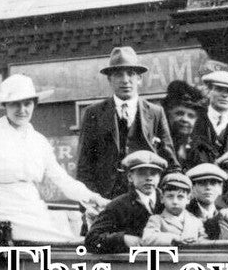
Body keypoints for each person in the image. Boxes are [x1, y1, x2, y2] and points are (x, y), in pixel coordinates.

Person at [0, 74, 108, 241]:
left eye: (27, 103)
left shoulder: (38, 141)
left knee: (62, 242)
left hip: (33, 210)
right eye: (15, 104)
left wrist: (92, 197)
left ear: (34, 104)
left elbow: (61, 179)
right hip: (1, 212)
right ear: (5, 105)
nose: (22, 110)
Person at [76, 46, 177, 199]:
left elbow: (170, 162)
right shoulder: (93, 113)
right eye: (118, 74)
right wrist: (92, 200)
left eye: (131, 74)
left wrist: (164, 199)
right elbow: (84, 166)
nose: (125, 80)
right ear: (109, 79)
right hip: (106, 198)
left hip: (146, 197)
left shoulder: (155, 113)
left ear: (139, 79)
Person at [84, 150, 167, 254]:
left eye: (153, 174)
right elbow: (92, 240)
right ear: (130, 177)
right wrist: (123, 239)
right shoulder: (118, 205)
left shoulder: (168, 202)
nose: (149, 178)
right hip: (130, 266)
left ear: (159, 177)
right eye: (142, 173)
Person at [142, 172, 209, 246]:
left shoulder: (196, 221)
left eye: (180, 197)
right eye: (170, 196)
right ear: (162, 198)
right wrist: (173, 238)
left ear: (188, 199)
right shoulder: (156, 220)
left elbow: (204, 242)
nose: (175, 201)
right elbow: (147, 239)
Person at [163, 81, 210, 170]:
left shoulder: (202, 149)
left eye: (191, 116)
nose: (185, 119)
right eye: (179, 113)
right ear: (168, 115)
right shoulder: (159, 147)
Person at [186, 162, 228, 240]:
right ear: (193, 188)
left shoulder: (225, 213)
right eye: (202, 183)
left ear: (220, 189)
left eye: (213, 183)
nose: (208, 188)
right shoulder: (184, 213)